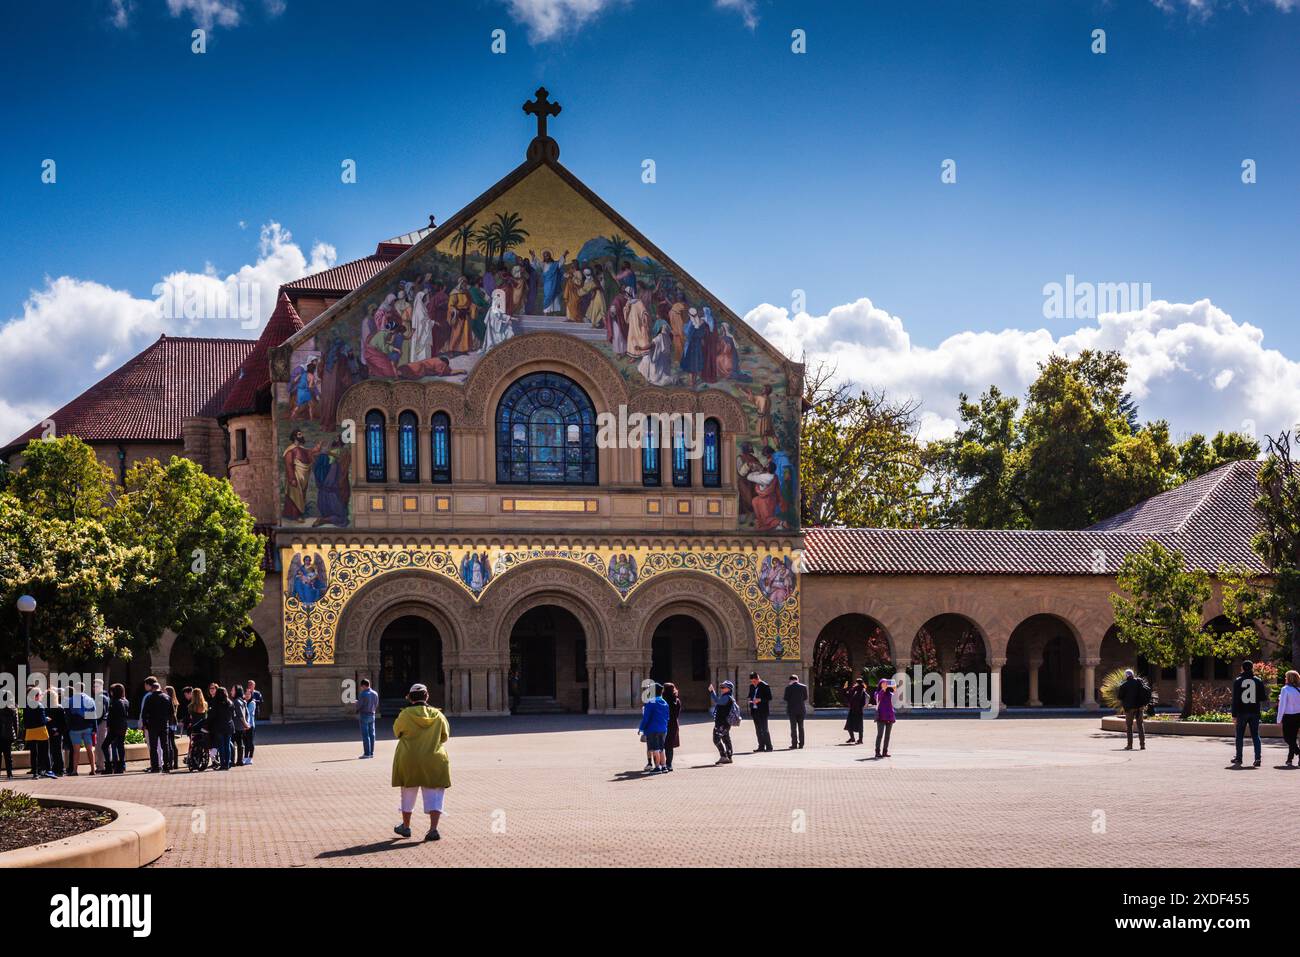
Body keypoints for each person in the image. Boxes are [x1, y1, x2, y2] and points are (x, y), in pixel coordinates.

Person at [391, 683, 451, 842]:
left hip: (409, 758)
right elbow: (445, 736)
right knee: (435, 794)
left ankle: (406, 826)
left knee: (407, 793)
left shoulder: (404, 715)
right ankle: (433, 829)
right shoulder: (438, 715)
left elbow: (397, 732)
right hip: (434, 759)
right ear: (427, 696)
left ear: (410, 698)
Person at [1231, 661, 1267, 768]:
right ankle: (1257, 758)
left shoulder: (1238, 681)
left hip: (1241, 711)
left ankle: (1239, 757)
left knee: (1239, 736)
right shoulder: (1258, 681)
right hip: (1254, 711)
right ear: (1252, 668)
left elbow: (1235, 700)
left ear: (1242, 668)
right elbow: (1263, 698)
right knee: (1255, 735)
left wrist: (1234, 714)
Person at [63, 682, 97, 775]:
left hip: (74, 729)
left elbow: (67, 716)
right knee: (90, 749)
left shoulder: (70, 701)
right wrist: (94, 728)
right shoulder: (90, 700)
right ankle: (93, 769)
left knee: (76, 751)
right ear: (84, 689)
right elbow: (93, 715)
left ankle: (75, 770)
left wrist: (69, 727)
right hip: (87, 727)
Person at [140, 679, 173, 773]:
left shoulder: (149, 698)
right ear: (160, 688)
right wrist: (168, 722)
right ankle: (166, 766)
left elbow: (144, 713)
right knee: (165, 746)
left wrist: (145, 724)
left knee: (153, 747)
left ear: (152, 689)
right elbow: (171, 712)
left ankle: (155, 767)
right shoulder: (167, 697)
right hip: (163, 724)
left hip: (152, 725)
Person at [23, 686, 55, 779]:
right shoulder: (40, 705)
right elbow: (42, 720)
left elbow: (25, 720)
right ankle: (48, 770)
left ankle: (35, 773)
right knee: (45, 751)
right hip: (41, 730)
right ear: (36, 696)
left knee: (34, 753)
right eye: (40, 694)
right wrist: (47, 719)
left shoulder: (26, 705)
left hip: (30, 731)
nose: (41, 696)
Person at [638, 684, 670, 773]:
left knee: (655, 748)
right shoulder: (664, 702)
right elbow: (668, 717)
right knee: (661, 748)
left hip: (652, 729)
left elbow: (646, 717)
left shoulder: (651, 702)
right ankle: (664, 766)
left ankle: (657, 767)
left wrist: (641, 728)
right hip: (663, 728)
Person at [1116, 668, 1150, 750]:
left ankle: (1129, 745)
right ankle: (1142, 745)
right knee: (1140, 726)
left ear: (1126, 676)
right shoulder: (1139, 682)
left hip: (1129, 708)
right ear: (1133, 675)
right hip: (1139, 707)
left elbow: (1119, 697)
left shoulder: (1124, 685)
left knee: (1129, 726)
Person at [708, 680, 738, 765]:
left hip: (722, 723)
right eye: (721, 687)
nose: (721, 689)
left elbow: (717, 701)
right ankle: (728, 756)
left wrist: (712, 691)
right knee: (726, 739)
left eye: (723, 687)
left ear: (729, 689)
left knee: (716, 738)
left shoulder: (727, 697)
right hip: (724, 722)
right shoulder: (727, 696)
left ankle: (724, 756)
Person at [207, 686, 236, 771]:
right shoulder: (230, 702)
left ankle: (223, 764)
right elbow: (233, 715)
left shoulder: (216, 703)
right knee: (227, 745)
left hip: (219, 727)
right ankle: (227, 763)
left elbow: (212, 715)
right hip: (229, 726)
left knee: (221, 746)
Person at [103, 684, 129, 774]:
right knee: (120, 746)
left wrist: (109, 726)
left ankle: (109, 767)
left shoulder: (114, 702)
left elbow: (112, 716)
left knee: (105, 746)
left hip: (115, 727)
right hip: (123, 726)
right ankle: (121, 766)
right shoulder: (125, 701)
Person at [1278, 670, 1300, 768]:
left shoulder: (1285, 689)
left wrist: (1279, 719)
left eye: (1286, 677)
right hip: (1298, 716)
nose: (1285, 679)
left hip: (1288, 716)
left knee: (1287, 738)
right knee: (1293, 739)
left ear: (1289, 678)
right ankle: (1289, 759)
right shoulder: (1299, 689)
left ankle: (1297, 754)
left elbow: (1282, 705)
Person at [747, 672, 773, 752]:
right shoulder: (751, 686)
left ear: (758, 679)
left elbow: (769, 697)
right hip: (754, 710)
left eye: (754, 681)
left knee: (764, 729)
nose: (753, 683)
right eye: (752, 681)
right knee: (758, 730)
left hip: (763, 710)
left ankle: (769, 747)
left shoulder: (765, 685)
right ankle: (761, 746)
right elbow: (750, 695)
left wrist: (760, 700)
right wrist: (749, 700)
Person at [872, 678, 898, 758]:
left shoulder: (890, 693)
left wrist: (895, 690)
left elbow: (895, 700)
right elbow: (878, 698)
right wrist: (883, 690)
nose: (885, 685)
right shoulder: (877, 692)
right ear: (880, 685)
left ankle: (885, 752)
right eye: (883, 683)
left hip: (890, 716)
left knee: (887, 735)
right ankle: (877, 752)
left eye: (886, 683)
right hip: (881, 716)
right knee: (880, 734)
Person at [45, 688, 67, 776]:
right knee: (58, 751)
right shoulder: (60, 708)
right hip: (57, 731)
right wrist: (60, 731)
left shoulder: (45, 708)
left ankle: (53, 768)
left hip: (48, 731)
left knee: (50, 751)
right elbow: (64, 722)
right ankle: (60, 769)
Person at [356, 678, 379, 759]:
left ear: (363, 685)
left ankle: (366, 753)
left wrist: (357, 705)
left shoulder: (363, 694)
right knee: (372, 734)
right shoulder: (375, 693)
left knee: (365, 735)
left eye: (361, 686)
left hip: (364, 715)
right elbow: (376, 704)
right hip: (372, 715)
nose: (361, 688)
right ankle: (371, 752)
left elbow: (360, 705)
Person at [784, 674, 808, 749]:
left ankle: (794, 744)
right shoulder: (804, 687)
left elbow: (786, 698)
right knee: (801, 727)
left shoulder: (788, 688)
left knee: (793, 728)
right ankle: (801, 744)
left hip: (792, 710)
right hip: (801, 709)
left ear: (790, 680)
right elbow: (805, 698)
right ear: (797, 679)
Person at [662, 682, 681, 772]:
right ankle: (669, 764)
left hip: (664, 724)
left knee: (661, 744)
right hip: (673, 724)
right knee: (670, 746)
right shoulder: (677, 701)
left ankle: (661, 764)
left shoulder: (663, 701)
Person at [244, 680, 263, 763]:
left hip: (250, 722)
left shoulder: (257, 694)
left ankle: (250, 757)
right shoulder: (244, 701)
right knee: (245, 741)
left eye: (252, 685)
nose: (250, 686)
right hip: (245, 724)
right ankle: (245, 757)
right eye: (249, 684)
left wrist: (255, 701)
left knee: (250, 740)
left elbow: (261, 701)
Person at [844, 678, 867, 744]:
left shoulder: (861, 690)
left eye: (856, 683)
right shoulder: (854, 690)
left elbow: (862, 701)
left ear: (858, 683)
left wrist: (858, 706)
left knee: (858, 725)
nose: (855, 684)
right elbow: (848, 696)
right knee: (850, 725)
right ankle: (854, 738)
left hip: (857, 711)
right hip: (855, 710)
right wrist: (845, 689)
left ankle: (859, 739)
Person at [231, 685, 250, 767]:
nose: (231, 692)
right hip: (241, 726)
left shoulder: (236, 702)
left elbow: (241, 715)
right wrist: (246, 724)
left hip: (236, 726)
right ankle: (239, 760)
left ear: (237, 691)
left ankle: (233, 761)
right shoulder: (242, 701)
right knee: (240, 744)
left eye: (232, 690)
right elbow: (246, 714)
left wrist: (245, 724)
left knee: (233, 744)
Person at [164, 685, 181, 771]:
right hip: (173, 723)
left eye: (165, 691)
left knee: (170, 744)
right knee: (172, 743)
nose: (164, 692)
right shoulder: (175, 701)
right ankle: (175, 763)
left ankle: (171, 763)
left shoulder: (169, 701)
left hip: (170, 723)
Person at [1, 698, 16, 779]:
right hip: (9, 735)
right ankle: (9, 774)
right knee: (8, 756)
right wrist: (15, 735)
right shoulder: (12, 709)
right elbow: (15, 724)